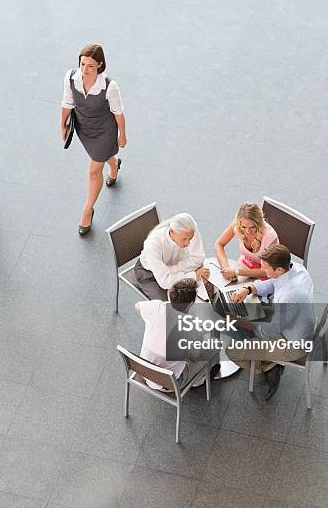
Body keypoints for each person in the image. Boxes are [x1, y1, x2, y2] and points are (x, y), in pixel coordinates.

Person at [227, 244, 316, 400]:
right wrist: (248, 289)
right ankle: (268, 359)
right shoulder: (297, 269)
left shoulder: (290, 296)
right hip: (292, 323)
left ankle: (270, 364)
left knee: (232, 351)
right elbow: (272, 283)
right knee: (251, 316)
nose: (263, 271)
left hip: (292, 343)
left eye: (266, 268)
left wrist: (242, 321)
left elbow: (271, 330)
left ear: (280, 270)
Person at [61, 44, 126, 236]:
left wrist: (122, 134)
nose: (85, 70)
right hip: (84, 128)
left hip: (105, 130)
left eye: (90, 66)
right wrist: (62, 124)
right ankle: (114, 165)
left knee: (93, 171)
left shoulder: (109, 86)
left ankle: (87, 211)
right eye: (82, 64)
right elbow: (67, 102)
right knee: (101, 158)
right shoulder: (71, 78)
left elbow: (118, 113)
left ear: (100, 65)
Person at [136, 278, 220, 391]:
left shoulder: (156, 306)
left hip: (144, 370)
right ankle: (198, 381)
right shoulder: (190, 326)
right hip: (169, 383)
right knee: (213, 347)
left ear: (170, 295)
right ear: (191, 303)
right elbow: (194, 356)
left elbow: (137, 306)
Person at [135, 213, 209, 301]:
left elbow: (198, 258)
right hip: (149, 274)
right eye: (184, 239)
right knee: (170, 305)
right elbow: (165, 281)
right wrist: (193, 276)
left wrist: (174, 270)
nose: (188, 243)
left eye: (190, 238)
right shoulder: (152, 244)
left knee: (201, 292)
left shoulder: (190, 228)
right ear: (172, 231)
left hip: (174, 265)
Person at [214, 202, 278, 281]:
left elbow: (267, 272)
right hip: (244, 264)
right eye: (244, 227)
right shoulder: (237, 224)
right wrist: (225, 268)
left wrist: (237, 272)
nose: (247, 231)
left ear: (259, 224)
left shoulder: (270, 236)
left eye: (252, 227)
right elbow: (219, 244)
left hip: (266, 273)